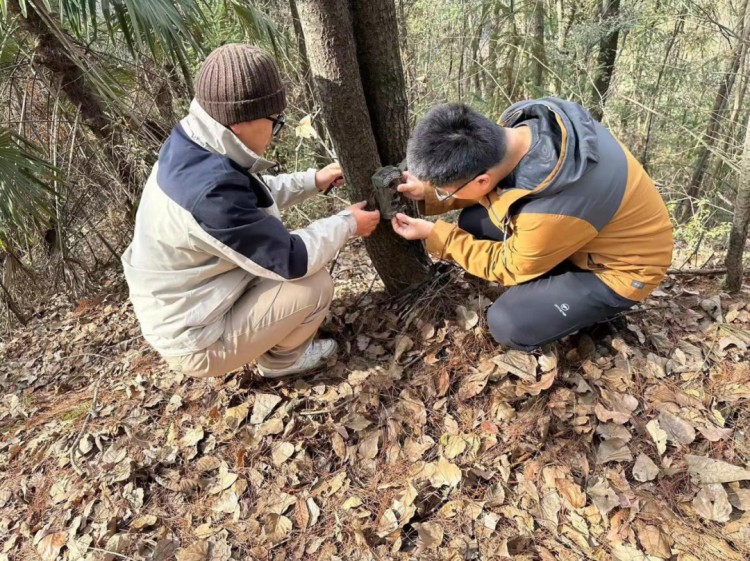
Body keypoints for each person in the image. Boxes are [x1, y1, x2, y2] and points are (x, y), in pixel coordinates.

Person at [122, 44, 380, 378]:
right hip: (195, 340)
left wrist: (313, 181)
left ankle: (269, 339)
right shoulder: (212, 194)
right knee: (314, 286)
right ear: (242, 122)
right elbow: (293, 260)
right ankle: (281, 361)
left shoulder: (198, 141)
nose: (276, 132)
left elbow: (250, 196)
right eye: (275, 122)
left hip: (191, 303)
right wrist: (348, 223)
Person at [391, 99, 673, 351]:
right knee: (473, 222)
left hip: (623, 268)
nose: (443, 195)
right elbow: (498, 188)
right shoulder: (521, 125)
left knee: (509, 323)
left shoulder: (551, 212)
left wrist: (436, 236)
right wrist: (428, 194)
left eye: (445, 191)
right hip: (588, 230)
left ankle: (600, 314)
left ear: (481, 182)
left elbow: (508, 265)